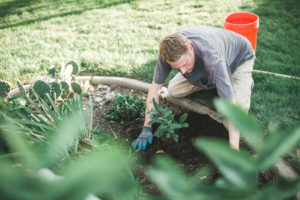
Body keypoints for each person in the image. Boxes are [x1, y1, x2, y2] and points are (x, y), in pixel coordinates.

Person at [131, 25, 255, 151]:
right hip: (208, 64)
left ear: (191, 48)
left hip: (239, 58)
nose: (183, 71)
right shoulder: (168, 52)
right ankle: (215, 83)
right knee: (173, 91)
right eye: (177, 68)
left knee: (239, 108)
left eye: (185, 64)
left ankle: (238, 83)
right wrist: (147, 128)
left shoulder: (214, 60)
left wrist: (233, 151)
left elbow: (231, 108)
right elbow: (155, 88)